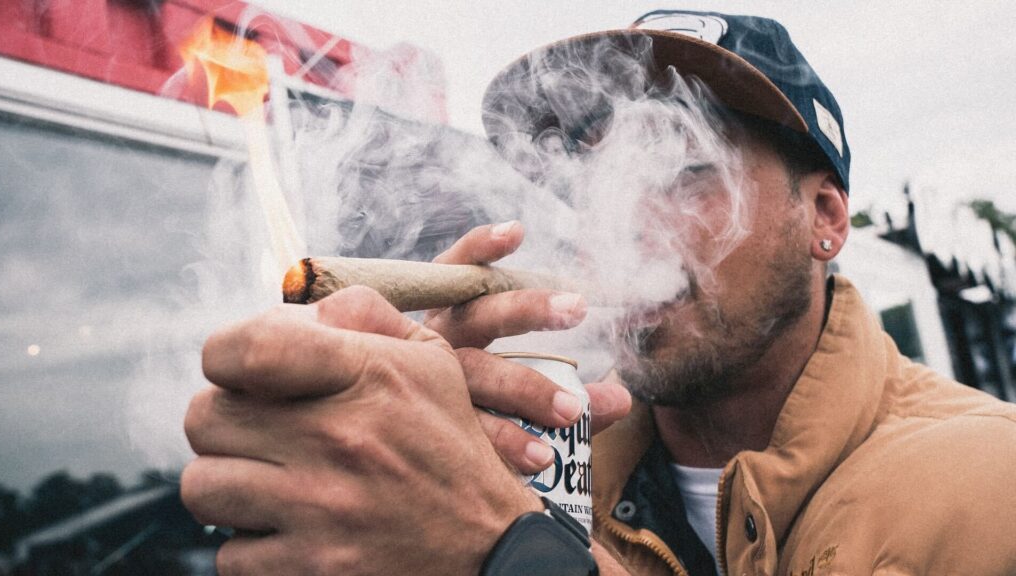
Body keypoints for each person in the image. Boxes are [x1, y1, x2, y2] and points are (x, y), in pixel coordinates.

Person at [180, 9, 1016, 576]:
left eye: (685, 173)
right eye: (594, 187)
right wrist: (437, 464)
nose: (623, 225)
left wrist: (504, 549)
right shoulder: (549, 471)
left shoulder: (986, 486)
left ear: (824, 219)